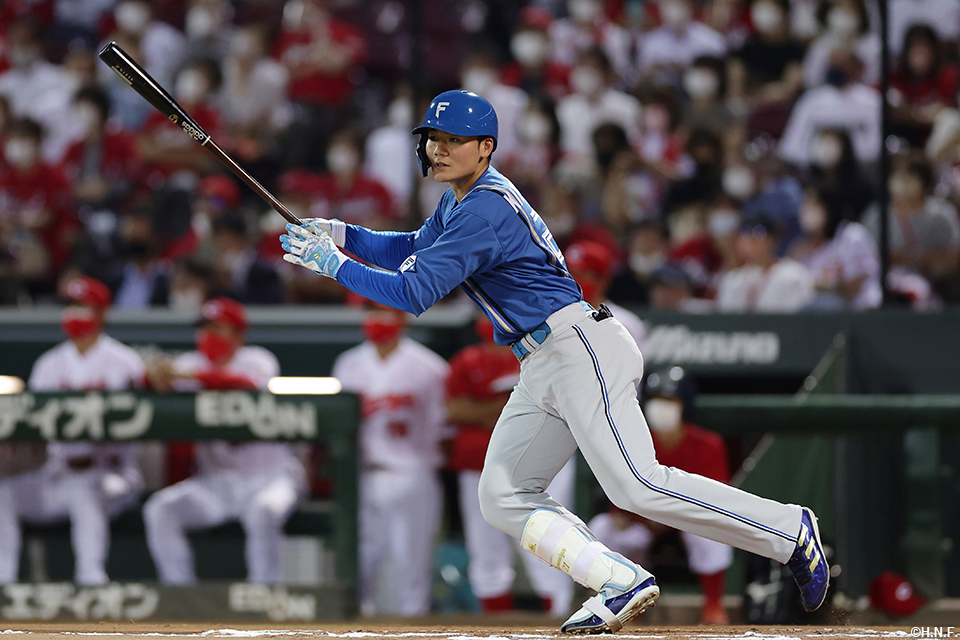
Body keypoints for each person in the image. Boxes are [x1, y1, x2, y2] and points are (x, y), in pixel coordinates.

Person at [279, 90, 829, 634]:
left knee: (637, 485)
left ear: (486, 146)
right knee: (502, 494)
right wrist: (342, 234)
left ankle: (789, 530)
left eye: (454, 140)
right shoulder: (461, 199)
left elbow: (413, 291)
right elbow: (412, 248)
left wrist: (335, 266)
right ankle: (617, 580)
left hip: (576, 347)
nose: (439, 150)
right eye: (433, 139)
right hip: (541, 359)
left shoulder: (484, 209)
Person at [143, 297, 306, 584]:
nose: (208, 336)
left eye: (217, 329)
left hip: (270, 477)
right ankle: (179, 593)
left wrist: (185, 375)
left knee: (264, 511)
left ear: (239, 335)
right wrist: (152, 376)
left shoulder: (258, 359)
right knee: (161, 509)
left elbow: (244, 385)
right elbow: (152, 382)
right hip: (216, 482)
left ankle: (264, 594)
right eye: (204, 329)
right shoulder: (191, 363)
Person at [0, 276, 145, 585]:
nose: (74, 313)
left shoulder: (125, 362)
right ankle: (4, 578)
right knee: (4, 492)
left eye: (82, 306)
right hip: (59, 472)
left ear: (101, 313)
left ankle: (91, 579)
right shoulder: (49, 364)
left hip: (114, 475)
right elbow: (35, 428)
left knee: (85, 488)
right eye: (70, 306)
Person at [447, 316, 574, 616]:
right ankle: (493, 619)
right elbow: (456, 410)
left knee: (545, 540)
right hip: (478, 465)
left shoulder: (541, 354)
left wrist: (485, 409)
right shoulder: (466, 361)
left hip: (535, 464)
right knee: (484, 544)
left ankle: (558, 612)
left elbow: (553, 405)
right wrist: (511, 407)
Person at [588, 367, 734, 626]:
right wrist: (630, 516)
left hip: (689, 521)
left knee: (715, 532)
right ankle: (619, 603)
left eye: (670, 400)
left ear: (685, 405)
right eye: (657, 399)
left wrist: (670, 517)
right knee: (601, 528)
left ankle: (713, 606)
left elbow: (715, 500)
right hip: (643, 521)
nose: (661, 407)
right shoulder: (634, 441)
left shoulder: (708, 444)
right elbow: (619, 491)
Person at [331, 300, 449, 615]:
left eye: (383, 311)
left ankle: (414, 625)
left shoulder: (429, 367)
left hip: (412, 473)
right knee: (361, 560)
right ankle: (356, 625)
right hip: (362, 474)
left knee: (410, 562)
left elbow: (443, 429)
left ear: (402, 317)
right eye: (370, 311)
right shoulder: (348, 364)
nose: (376, 318)